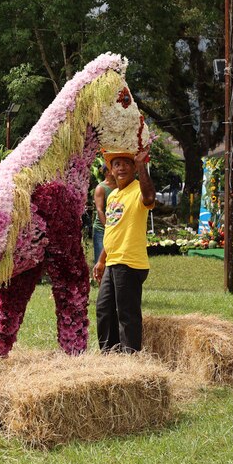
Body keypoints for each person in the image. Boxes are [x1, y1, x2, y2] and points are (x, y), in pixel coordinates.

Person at [92, 146, 155, 354]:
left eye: (126, 164)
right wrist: (101, 260)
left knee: (126, 314)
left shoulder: (139, 189)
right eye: (116, 164)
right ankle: (109, 356)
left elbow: (149, 199)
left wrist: (142, 164)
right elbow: (112, 230)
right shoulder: (113, 196)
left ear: (134, 168)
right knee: (104, 310)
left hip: (129, 262)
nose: (121, 168)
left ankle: (130, 360)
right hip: (112, 261)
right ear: (110, 169)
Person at [92, 162, 117, 266]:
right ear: (107, 172)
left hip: (116, 229)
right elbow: (100, 210)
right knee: (101, 262)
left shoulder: (119, 186)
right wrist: (108, 227)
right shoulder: (100, 188)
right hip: (102, 230)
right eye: (113, 168)